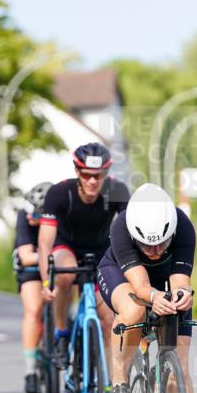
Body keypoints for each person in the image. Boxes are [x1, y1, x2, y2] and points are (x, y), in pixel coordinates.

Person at [96, 183, 197, 393]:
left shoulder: (184, 227)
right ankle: (119, 385)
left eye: (160, 244)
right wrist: (154, 298)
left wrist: (182, 296)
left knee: (178, 366)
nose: (154, 251)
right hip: (122, 275)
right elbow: (141, 288)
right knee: (134, 312)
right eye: (147, 245)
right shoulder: (121, 227)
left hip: (163, 283)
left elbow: (180, 280)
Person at [38, 143, 130, 368]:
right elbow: (44, 242)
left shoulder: (116, 190)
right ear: (78, 172)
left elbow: (129, 230)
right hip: (66, 246)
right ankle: (61, 332)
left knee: (109, 319)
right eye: (87, 175)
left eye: (98, 175)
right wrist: (46, 281)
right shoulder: (59, 193)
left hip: (100, 251)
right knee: (65, 274)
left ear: (105, 173)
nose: (92, 181)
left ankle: (111, 384)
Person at [13, 182, 51, 393]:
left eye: (35, 216)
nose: (30, 218)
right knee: (34, 309)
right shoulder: (24, 218)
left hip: (55, 263)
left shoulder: (61, 217)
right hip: (32, 264)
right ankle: (30, 370)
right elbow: (26, 257)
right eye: (28, 212)